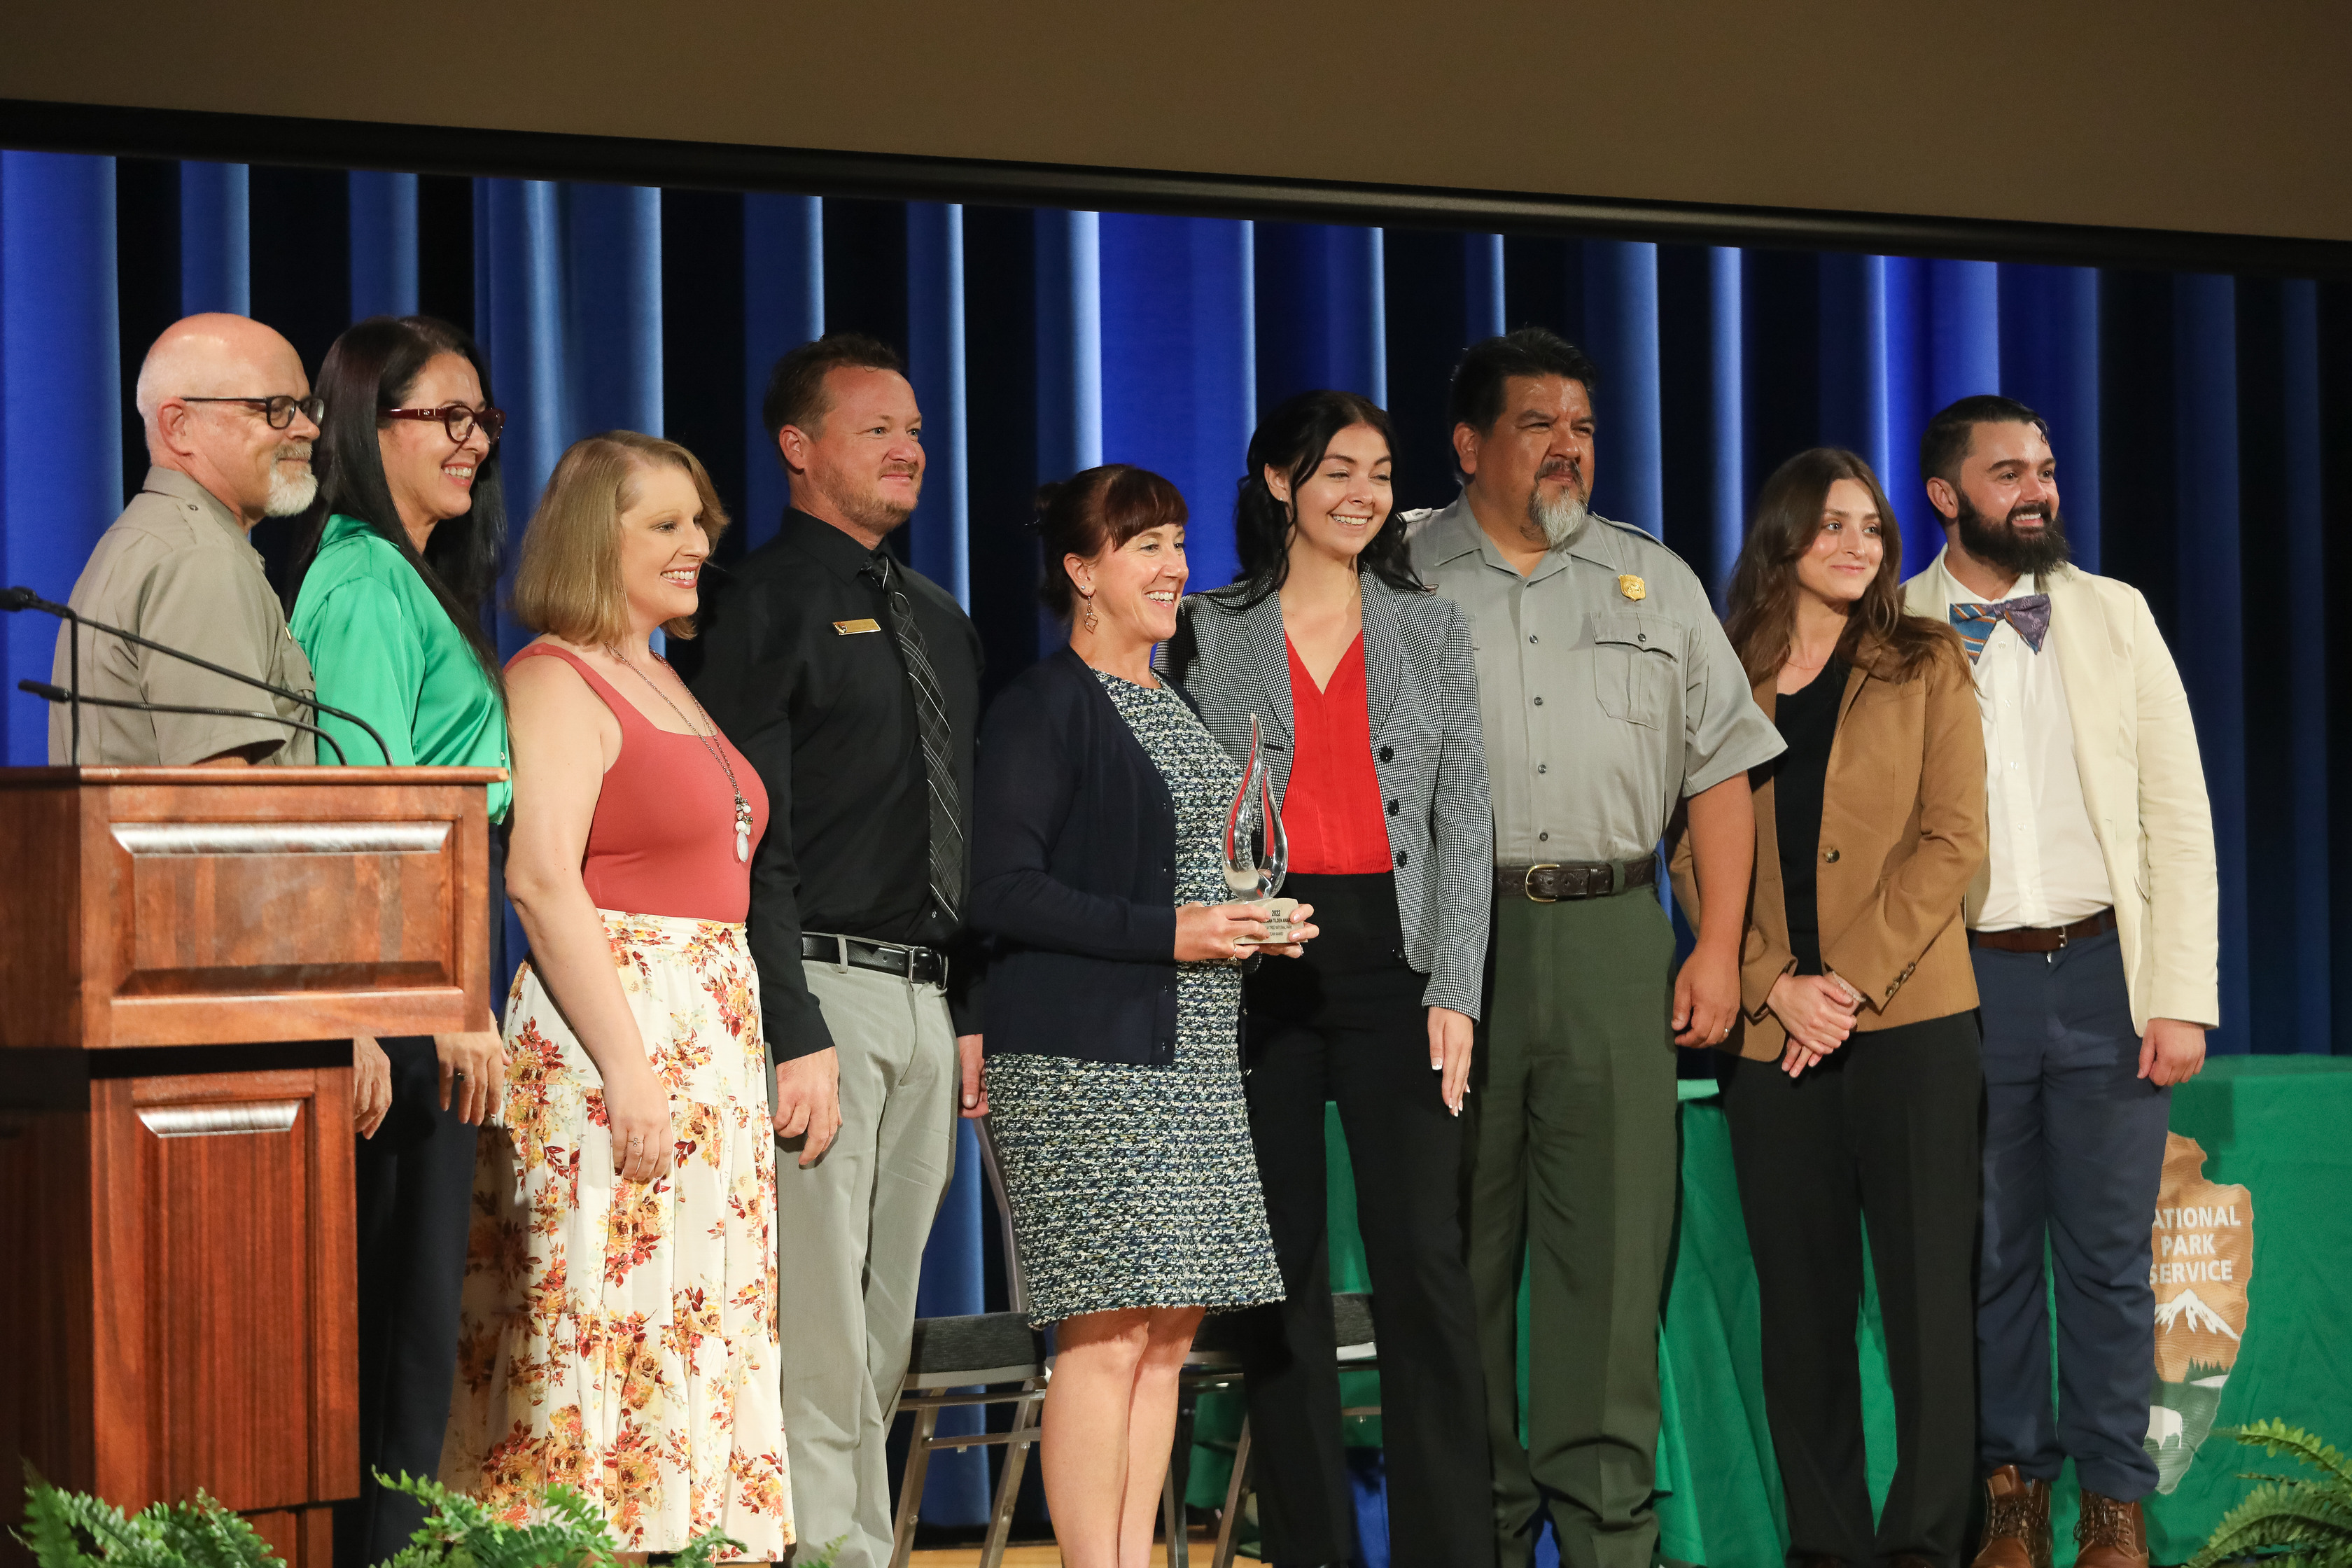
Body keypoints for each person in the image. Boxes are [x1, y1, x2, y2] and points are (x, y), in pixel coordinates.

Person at [1405, 328, 1785, 1568]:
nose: (1568, 448)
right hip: (1453, 954)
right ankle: (1482, 1530)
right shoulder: (1399, 576)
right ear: (1469, 446)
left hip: (1621, 935)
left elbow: (1723, 775)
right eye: (1537, 424)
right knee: (1459, 1254)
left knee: (1614, 1264)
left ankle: (1612, 1535)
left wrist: (1717, 945)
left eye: (1582, 426)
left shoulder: (1652, 580)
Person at [440, 431, 790, 1557]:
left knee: (692, 1312)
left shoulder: (662, 673)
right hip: (615, 1043)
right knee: (600, 1308)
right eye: (667, 525)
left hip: (707, 1037)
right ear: (600, 536)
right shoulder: (554, 678)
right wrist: (632, 1066)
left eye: (701, 525)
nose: (698, 546)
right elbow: (541, 878)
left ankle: (677, 1535)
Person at [1166, 391, 1494, 1568]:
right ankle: (1312, 1550)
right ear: (1277, 484)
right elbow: (1183, 808)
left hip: (1396, 962)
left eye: (1380, 472)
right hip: (1264, 964)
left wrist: (1455, 987)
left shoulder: (1430, 625)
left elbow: (1465, 821)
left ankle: (1450, 1550)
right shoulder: (1208, 627)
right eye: (1336, 470)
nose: (1362, 493)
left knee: (1425, 1268)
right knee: (1279, 1276)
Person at [972, 464, 1309, 1568]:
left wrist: (1253, 926)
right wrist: (1179, 931)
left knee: (1168, 1337)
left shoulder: (1178, 706)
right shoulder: (1043, 705)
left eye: (1176, 541)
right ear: (1081, 573)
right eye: (1144, 547)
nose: (1175, 567)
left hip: (1193, 1062)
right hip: (1083, 1063)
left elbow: (1194, 881)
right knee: (1106, 1331)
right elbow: (1003, 889)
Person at [1900, 396, 2218, 1568]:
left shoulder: (2113, 615)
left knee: (2105, 1262)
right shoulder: (1896, 627)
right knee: (1984, 1256)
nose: (2037, 491)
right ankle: (2010, 1492)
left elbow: (2176, 819)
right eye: (2007, 473)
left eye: (2043, 469)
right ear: (1946, 496)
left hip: (2101, 978)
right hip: (1962, 988)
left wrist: (2178, 993)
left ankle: (2117, 1506)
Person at [690, 333, 981, 1568]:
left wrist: (964, 1006)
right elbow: (752, 832)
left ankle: (858, 1537)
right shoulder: (762, 602)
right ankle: (836, 1551)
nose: (907, 447)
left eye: (912, 426)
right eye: (875, 429)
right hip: (823, 987)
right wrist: (791, 1018)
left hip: (924, 1000)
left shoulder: (936, 615)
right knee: (817, 1316)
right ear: (798, 450)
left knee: (885, 1325)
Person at [1671, 448, 1987, 1568]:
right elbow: (1690, 855)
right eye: (1834, 526)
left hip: (1910, 1030)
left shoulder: (1927, 660)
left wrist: (1843, 985)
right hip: (1774, 1042)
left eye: (1873, 528)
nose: (1858, 546)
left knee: (1927, 1316)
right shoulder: (1720, 671)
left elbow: (1954, 840)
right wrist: (1775, 988)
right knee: (1801, 1320)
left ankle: (1928, 1547)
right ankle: (1829, 1549)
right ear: (1784, 538)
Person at [281, 313, 516, 1564]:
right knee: (396, 1336)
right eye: (445, 417)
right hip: (404, 992)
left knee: (415, 1336)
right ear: (370, 430)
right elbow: (362, 809)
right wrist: (425, 1002)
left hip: (433, 974)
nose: (473, 442)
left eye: (482, 419)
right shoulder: (365, 579)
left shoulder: (409, 578)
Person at [50, 312, 319, 767]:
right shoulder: (200, 559)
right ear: (179, 425)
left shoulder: (151, 537)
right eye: (277, 408)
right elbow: (223, 812)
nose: (308, 429)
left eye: (307, 407)